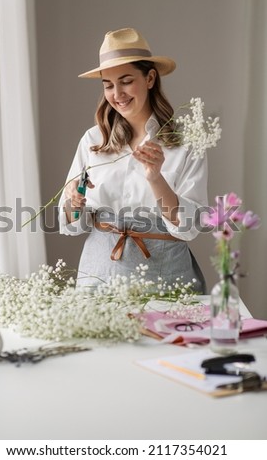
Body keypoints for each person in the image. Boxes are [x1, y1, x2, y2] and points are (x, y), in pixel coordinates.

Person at [58, 27, 207, 292]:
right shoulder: (93, 140)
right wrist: (73, 201)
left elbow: (189, 227)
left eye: (126, 81)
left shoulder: (186, 141)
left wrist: (155, 178)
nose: (117, 94)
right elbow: (71, 223)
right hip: (98, 275)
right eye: (108, 85)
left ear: (150, 78)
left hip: (166, 278)